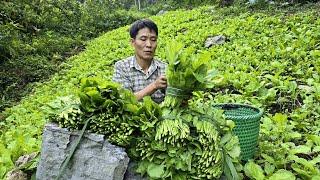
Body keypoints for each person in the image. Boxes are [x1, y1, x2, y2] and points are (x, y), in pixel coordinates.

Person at [112, 19, 167, 103]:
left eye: (153, 39)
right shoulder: (122, 67)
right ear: (133, 42)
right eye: (143, 39)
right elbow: (123, 100)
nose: (149, 45)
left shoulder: (165, 68)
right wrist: (154, 86)